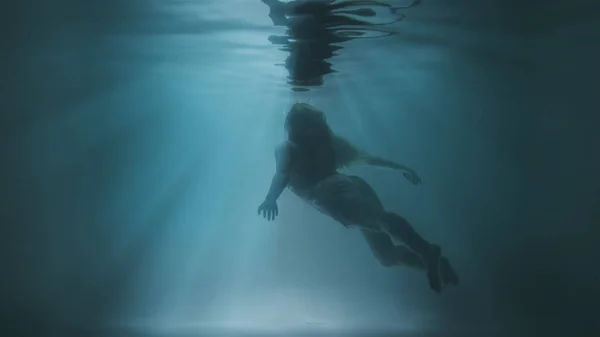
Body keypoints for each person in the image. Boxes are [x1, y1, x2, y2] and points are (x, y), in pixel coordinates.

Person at [258, 102, 458, 292]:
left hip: (333, 195)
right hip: (353, 185)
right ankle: (436, 265)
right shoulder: (326, 143)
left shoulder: (288, 148)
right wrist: (400, 168)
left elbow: (282, 175)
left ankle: (427, 251)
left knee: (378, 222)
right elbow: (367, 158)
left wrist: (270, 198)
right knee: (386, 255)